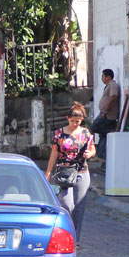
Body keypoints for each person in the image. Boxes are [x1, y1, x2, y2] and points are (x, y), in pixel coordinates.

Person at [45, 102, 95, 242]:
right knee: (66, 205)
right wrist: (48, 173)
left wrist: (89, 154)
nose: (75, 124)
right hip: (64, 173)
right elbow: (54, 153)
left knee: (79, 207)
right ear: (67, 118)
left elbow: (93, 149)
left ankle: (74, 239)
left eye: (78, 122)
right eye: (72, 121)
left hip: (81, 172)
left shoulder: (85, 133)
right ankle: (65, 233)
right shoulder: (59, 134)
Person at [89, 68, 121, 162]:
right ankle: (100, 156)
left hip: (107, 115)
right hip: (105, 114)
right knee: (104, 135)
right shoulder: (109, 86)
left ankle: (88, 151)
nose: (102, 78)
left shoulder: (113, 85)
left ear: (108, 77)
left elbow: (113, 97)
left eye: (103, 76)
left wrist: (105, 111)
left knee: (92, 129)